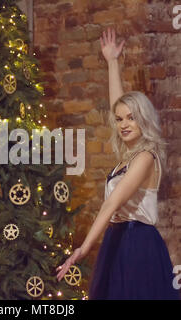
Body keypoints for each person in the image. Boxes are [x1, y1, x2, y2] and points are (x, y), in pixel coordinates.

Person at [56, 28, 180, 300]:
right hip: (117, 240)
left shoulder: (146, 157)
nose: (124, 124)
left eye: (131, 118)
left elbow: (112, 204)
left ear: (143, 120)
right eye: (120, 119)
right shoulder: (128, 155)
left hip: (138, 244)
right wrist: (112, 62)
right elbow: (118, 106)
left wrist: (84, 248)